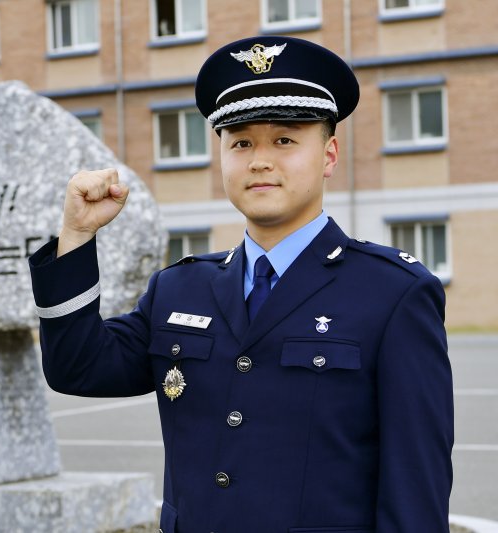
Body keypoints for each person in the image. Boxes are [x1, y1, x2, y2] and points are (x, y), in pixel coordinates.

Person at [28, 35, 453, 532]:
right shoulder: (179, 289)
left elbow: (414, 492)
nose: (260, 160)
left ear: (329, 155)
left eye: (286, 140)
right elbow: (77, 368)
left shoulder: (393, 293)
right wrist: (76, 236)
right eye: (242, 142)